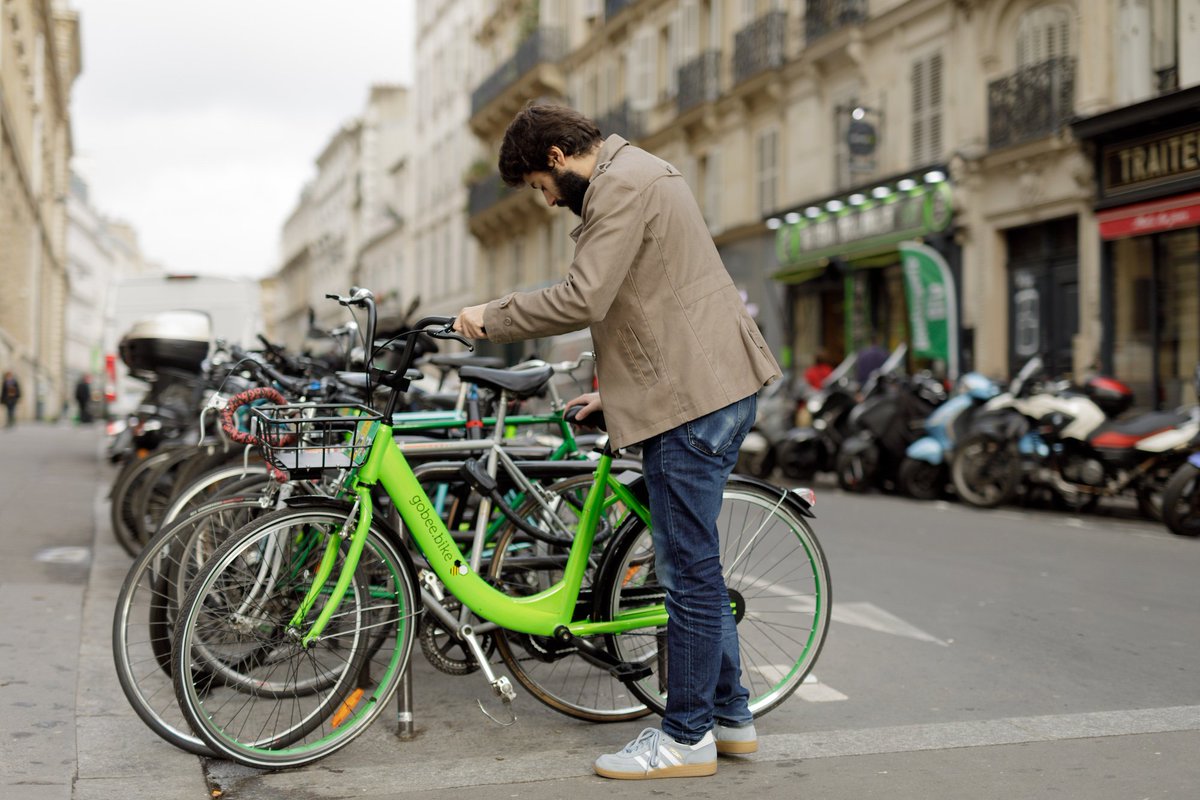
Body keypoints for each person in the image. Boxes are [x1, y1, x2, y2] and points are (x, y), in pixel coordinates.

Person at [454, 103, 781, 780]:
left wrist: (494, 315)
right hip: (700, 383)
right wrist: (620, 389)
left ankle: (686, 737)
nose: (545, 203)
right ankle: (731, 716)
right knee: (697, 566)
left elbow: (586, 296)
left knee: (685, 573)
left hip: (694, 400)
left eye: (539, 188)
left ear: (554, 158)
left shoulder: (622, 185)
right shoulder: (634, 175)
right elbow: (658, 299)